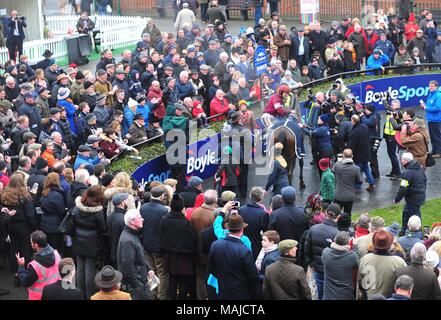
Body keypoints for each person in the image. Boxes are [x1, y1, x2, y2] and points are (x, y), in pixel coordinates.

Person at [208, 213, 260, 299]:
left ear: (228, 228)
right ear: (242, 230)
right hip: (240, 291)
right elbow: (252, 275)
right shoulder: (244, 250)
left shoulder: (215, 245)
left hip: (222, 289)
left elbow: (211, 267)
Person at [159, 194, 197, 300]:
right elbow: (192, 241)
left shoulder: (164, 220)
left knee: (172, 280)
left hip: (169, 256)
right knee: (183, 282)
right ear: (182, 208)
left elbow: (161, 237)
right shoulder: (186, 223)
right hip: (184, 258)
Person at [72, 185, 107, 299]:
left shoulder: (77, 207)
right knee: (89, 269)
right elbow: (102, 228)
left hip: (78, 240)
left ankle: (79, 293)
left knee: (80, 268)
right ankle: (90, 295)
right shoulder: (98, 211)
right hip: (92, 243)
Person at [305, 203, 341, 300]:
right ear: (338, 217)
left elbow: (307, 250)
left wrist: (312, 264)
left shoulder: (313, 229)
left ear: (325, 213)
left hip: (318, 269)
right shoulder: (337, 234)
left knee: (319, 293)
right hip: (331, 271)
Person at [117, 209, 155, 300]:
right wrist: (137, 286)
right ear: (132, 221)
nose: (143, 219)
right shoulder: (128, 241)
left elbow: (139, 255)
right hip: (136, 285)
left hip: (140, 281)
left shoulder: (133, 235)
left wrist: (148, 268)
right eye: (140, 217)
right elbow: (127, 267)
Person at [358, 230, 407, 299]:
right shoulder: (399, 262)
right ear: (390, 245)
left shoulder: (365, 259)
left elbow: (360, 281)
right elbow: (405, 283)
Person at [140, 186, 169, 300]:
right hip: (159, 247)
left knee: (151, 272)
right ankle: (161, 296)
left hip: (146, 245)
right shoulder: (164, 210)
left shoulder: (143, 208)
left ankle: (153, 294)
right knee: (161, 272)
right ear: (162, 196)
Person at [17, 230, 61, 300]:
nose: (31, 244)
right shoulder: (57, 255)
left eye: (31, 242)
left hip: (38, 297)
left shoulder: (35, 266)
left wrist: (21, 266)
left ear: (36, 245)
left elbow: (25, 282)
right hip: (55, 294)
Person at [394, 153, 427, 235]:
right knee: (406, 213)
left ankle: (419, 234)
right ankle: (403, 231)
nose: (401, 161)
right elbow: (425, 180)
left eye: (401, 160)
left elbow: (403, 188)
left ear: (405, 161)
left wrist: (397, 199)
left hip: (413, 198)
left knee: (415, 217)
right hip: (419, 196)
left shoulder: (407, 173)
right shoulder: (420, 168)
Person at [321, 231, 359, 300]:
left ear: (335, 240)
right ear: (348, 243)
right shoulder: (352, 256)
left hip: (328, 296)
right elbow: (357, 262)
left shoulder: (325, 253)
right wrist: (355, 246)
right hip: (346, 295)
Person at [238, 187, 269, 261]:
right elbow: (266, 231)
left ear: (250, 196)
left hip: (241, 243)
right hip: (255, 244)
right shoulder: (262, 214)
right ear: (261, 198)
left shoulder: (241, 210)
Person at [40, 172, 67, 254]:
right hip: (55, 226)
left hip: (45, 224)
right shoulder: (57, 195)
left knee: (47, 249)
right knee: (55, 250)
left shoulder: (44, 192)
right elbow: (61, 211)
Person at [348, 115, 376, 192]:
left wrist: (349, 153)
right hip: (366, 152)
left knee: (358, 171)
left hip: (358, 155)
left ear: (353, 121)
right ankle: (371, 183)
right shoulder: (364, 126)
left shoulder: (355, 132)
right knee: (366, 168)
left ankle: (357, 187)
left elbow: (352, 145)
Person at [332, 149, 362, 215]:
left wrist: (339, 161)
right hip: (350, 196)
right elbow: (360, 181)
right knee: (348, 214)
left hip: (339, 195)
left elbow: (333, 170)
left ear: (343, 156)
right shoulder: (356, 168)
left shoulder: (338, 166)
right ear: (352, 156)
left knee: (335, 214)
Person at [107, 192, 129, 267]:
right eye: (126, 200)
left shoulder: (110, 216)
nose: (127, 202)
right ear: (122, 203)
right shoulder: (123, 219)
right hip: (120, 255)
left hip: (112, 252)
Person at [420, 80, 441, 157]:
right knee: (433, 136)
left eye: (432, 86)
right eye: (429, 86)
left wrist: (426, 108)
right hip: (431, 119)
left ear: (436, 87)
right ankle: (435, 150)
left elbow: (438, 108)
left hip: (436, 119)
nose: (430, 87)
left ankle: (439, 152)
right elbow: (429, 106)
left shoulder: (438, 95)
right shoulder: (430, 94)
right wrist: (424, 106)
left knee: (436, 136)